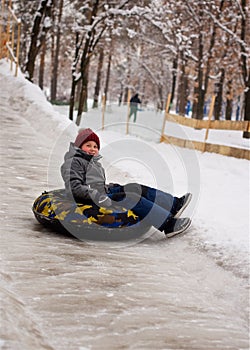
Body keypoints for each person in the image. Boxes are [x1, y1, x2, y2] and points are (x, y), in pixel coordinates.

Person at [61, 128, 192, 237]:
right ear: (79, 146)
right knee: (130, 198)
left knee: (134, 187)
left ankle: (173, 204)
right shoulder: (74, 162)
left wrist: (109, 187)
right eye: (88, 145)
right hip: (89, 199)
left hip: (103, 192)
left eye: (95, 146)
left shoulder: (93, 163)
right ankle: (168, 225)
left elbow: (95, 183)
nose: (93, 149)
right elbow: (75, 187)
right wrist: (96, 195)